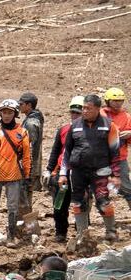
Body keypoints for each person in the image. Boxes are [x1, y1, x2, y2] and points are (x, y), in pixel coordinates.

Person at [58, 94, 121, 244]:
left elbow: (115, 152)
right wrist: (62, 174)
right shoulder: (75, 125)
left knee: (103, 202)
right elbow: (67, 152)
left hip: (100, 171)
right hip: (78, 171)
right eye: (84, 108)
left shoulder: (109, 125)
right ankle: (82, 234)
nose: (85, 111)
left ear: (98, 109)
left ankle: (111, 231)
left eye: (88, 108)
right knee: (79, 203)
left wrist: (116, 175)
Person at [0, 99, 32, 248]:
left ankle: (11, 236)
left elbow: (27, 156)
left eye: (10, 112)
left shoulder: (22, 132)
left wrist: (27, 175)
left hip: (14, 175)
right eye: (4, 112)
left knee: (13, 208)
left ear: (15, 114)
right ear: (0, 113)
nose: (7, 115)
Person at [44, 97, 84, 242]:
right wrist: (48, 170)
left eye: (78, 113)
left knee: (82, 204)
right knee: (59, 204)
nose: (75, 115)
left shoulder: (91, 131)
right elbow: (56, 151)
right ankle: (61, 232)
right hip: (63, 173)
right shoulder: (64, 130)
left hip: (82, 173)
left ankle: (82, 233)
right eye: (73, 112)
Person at [101, 87, 131, 209]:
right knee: (94, 188)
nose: (118, 103)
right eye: (115, 101)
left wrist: (130, 134)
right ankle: (85, 221)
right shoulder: (101, 114)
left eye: (120, 101)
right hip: (101, 157)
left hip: (120, 157)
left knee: (127, 188)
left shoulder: (127, 116)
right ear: (108, 101)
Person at [19, 92, 45, 209]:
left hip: (28, 167)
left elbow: (29, 147)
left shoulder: (30, 123)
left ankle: (27, 225)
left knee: (23, 199)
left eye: (21, 104)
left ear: (29, 105)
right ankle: (28, 225)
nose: (19, 106)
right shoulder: (35, 119)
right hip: (31, 166)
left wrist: (27, 169)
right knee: (26, 198)